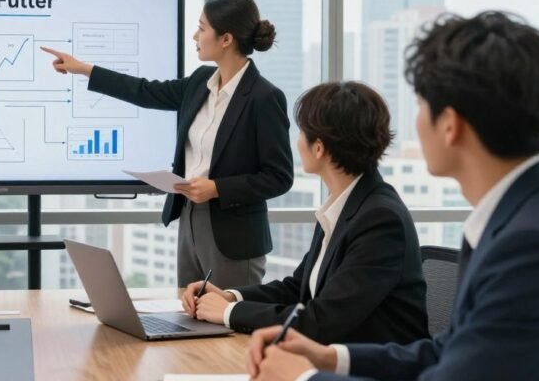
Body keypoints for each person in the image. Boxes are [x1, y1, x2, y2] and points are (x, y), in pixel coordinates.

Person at [245, 11, 539, 381]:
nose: (413, 123)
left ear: (450, 124)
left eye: (420, 105)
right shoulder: (527, 215)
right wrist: (330, 358)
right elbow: (455, 353)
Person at [42, 0, 294, 288]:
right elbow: (145, 91)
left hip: (234, 235)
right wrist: (84, 69)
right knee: (189, 317)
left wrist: (217, 188)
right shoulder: (200, 81)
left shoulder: (264, 98)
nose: (195, 36)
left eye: (202, 28)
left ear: (226, 39)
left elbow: (279, 177)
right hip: (189, 218)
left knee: (227, 325)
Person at [180, 81, 428, 345]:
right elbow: (298, 288)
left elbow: (322, 320)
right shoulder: (343, 205)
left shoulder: (380, 219)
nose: (297, 143)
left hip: (374, 374)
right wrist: (230, 297)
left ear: (319, 148)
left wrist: (228, 313)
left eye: (300, 133)